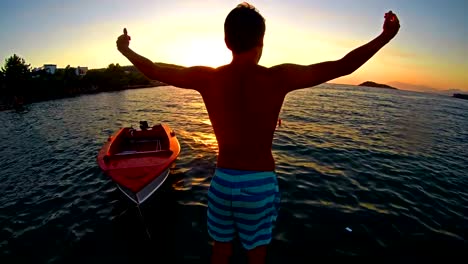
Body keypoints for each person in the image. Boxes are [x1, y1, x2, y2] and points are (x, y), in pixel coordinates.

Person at [116, 2, 400, 263]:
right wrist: (385, 36)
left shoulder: (208, 78)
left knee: (221, 250)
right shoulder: (278, 77)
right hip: (259, 183)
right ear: (262, 41)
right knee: (256, 254)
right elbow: (343, 66)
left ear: (227, 42)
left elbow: (153, 69)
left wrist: (126, 49)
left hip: (223, 181)